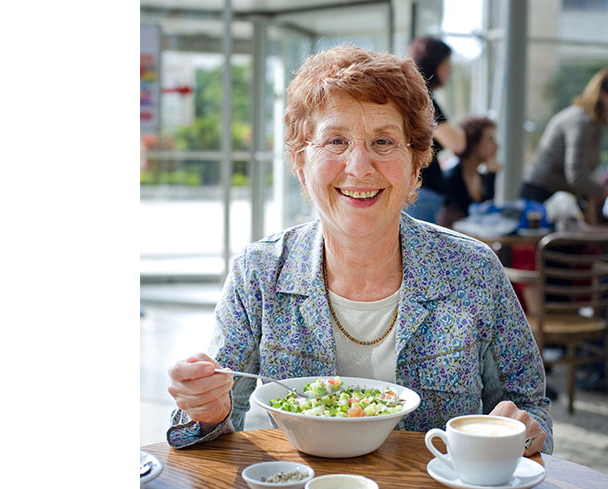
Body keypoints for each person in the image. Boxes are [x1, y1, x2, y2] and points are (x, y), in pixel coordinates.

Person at [165, 45, 552, 456]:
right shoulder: (260, 272)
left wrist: (523, 431)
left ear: (417, 161)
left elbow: (530, 411)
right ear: (300, 160)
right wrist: (204, 410)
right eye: (335, 140)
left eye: (383, 141)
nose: (359, 166)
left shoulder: (472, 270)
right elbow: (211, 429)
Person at [522, 67, 608, 219]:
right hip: (542, 198)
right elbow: (577, 175)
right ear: (603, 94)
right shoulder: (580, 121)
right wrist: (606, 192)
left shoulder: (597, 126)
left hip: (561, 199)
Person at [403, 36, 466, 224]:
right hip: (422, 191)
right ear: (434, 64)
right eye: (446, 63)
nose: (450, 70)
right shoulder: (422, 98)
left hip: (421, 189)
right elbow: (457, 143)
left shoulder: (415, 96)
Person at [439, 115, 501, 228]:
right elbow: (468, 214)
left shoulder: (482, 177)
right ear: (474, 143)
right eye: (490, 139)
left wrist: (492, 175)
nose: (496, 145)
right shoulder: (451, 177)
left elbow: (487, 212)